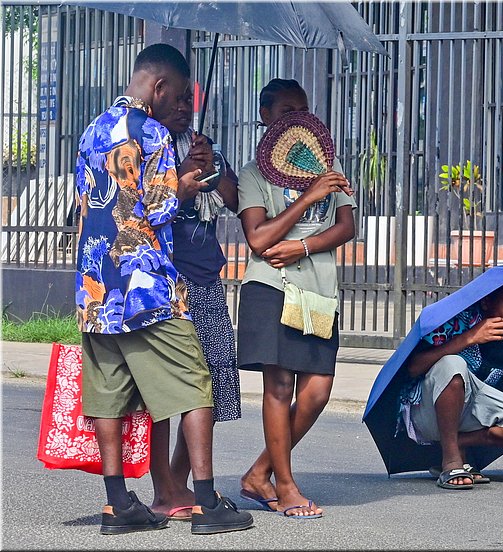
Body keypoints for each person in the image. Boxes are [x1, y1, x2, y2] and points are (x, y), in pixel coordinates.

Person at [74, 43, 253, 535]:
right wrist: (186, 186)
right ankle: (206, 504)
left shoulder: (92, 130)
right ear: (158, 87)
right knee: (195, 383)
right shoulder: (151, 132)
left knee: (108, 395)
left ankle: (117, 505)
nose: (181, 105)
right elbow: (157, 209)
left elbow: (89, 203)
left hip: (95, 288)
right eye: (177, 95)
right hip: (146, 287)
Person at [234, 78, 356, 518]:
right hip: (272, 286)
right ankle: (284, 486)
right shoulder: (253, 173)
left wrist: (303, 246)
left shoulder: (329, 163)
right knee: (280, 386)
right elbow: (258, 237)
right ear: (265, 115)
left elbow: (347, 226)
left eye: (302, 111)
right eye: (287, 111)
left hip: (318, 288)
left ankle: (259, 473)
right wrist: (308, 197)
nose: (296, 119)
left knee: (317, 391)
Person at [147, 86, 242, 522]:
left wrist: (212, 169)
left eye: (190, 101)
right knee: (166, 392)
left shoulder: (205, 148)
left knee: (210, 387)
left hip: (205, 279)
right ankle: (163, 489)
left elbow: (235, 199)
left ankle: (178, 481)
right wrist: (181, 176)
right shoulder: (148, 149)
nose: (185, 107)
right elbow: (146, 211)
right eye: (178, 99)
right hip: (168, 283)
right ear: (159, 96)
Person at [399, 278, 503, 489]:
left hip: (470, 409)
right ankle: (451, 460)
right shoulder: (458, 320)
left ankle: (454, 443)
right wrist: (470, 337)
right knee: (453, 364)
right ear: (487, 302)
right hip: (427, 411)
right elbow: (413, 367)